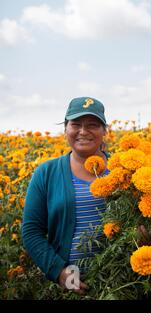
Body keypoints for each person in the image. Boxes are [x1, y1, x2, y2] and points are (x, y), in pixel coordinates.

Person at [22, 97, 109, 294]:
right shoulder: (46, 173)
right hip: (70, 289)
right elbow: (31, 230)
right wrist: (59, 272)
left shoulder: (124, 171)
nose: (83, 131)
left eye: (93, 125)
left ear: (104, 131)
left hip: (121, 284)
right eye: (76, 124)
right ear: (65, 129)